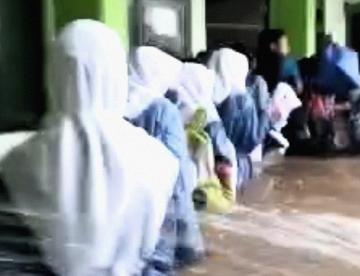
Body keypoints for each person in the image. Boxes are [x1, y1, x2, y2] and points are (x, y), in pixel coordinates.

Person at [0, 20, 180, 275]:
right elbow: (161, 263)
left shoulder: (14, 163)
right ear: (117, 76)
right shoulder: (158, 163)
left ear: (53, 75)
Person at [125, 47, 205, 274]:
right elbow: (176, 179)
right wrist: (190, 242)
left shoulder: (114, 103)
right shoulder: (162, 110)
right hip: (158, 219)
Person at [208, 48, 271, 188]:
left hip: (210, 164)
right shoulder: (242, 101)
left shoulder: (204, 96)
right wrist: (267, 115)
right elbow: (252, 140)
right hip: (235, 165)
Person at [256, 29, 303, 94]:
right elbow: (298, 88)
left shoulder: (257, 66)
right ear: (273, 46)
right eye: (286, 44)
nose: (289, 47)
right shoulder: (287, 62)